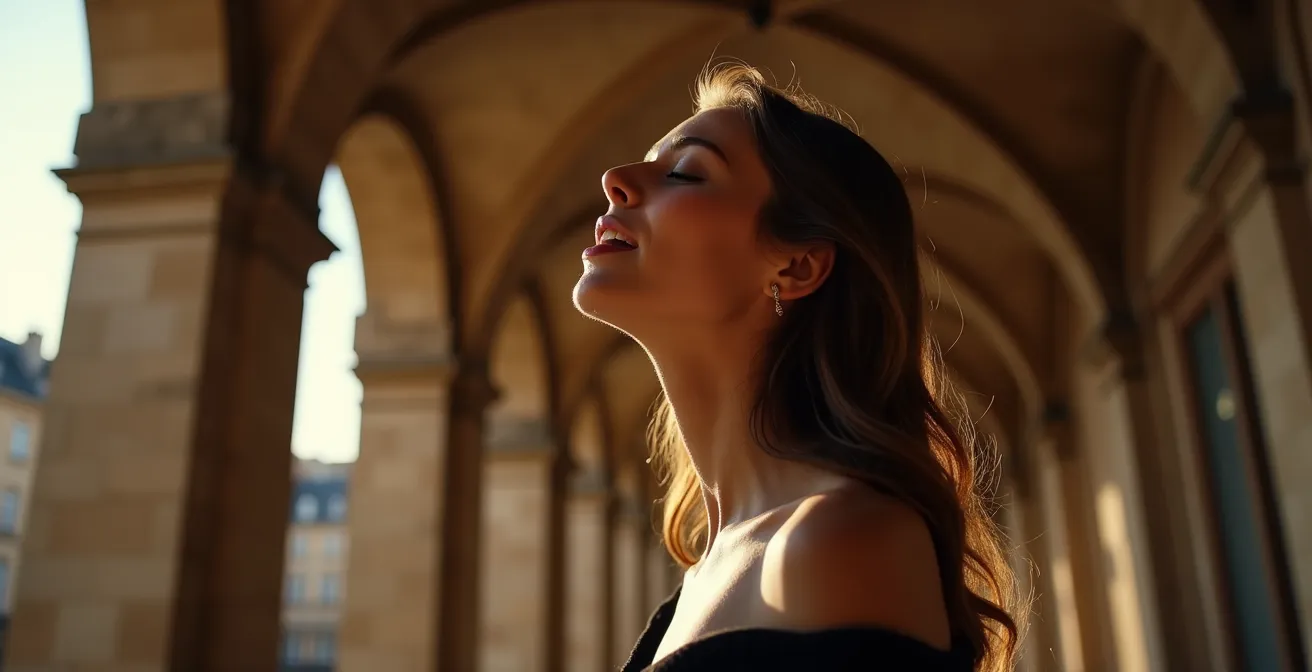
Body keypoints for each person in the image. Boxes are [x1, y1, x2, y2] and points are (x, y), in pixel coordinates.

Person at [573, 63, 1023, 671]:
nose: (615, 179)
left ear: (797, 267)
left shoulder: (841, 541)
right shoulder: (709, 572)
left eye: (686, 172)